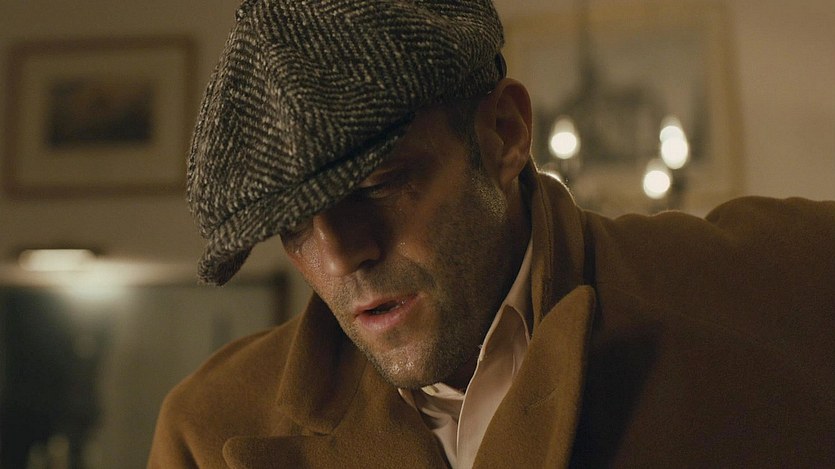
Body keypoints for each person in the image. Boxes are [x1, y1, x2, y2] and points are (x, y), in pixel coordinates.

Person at [148, 0, 835, 467]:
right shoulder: (209, 430)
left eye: (379, 184)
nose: (338, 255)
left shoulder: (780, 285)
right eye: (293, 225)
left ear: (505, 133)